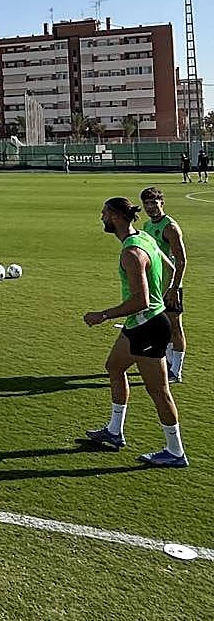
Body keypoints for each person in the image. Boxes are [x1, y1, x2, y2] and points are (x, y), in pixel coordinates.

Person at [83, 197, 187, 467]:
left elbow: (139, 301)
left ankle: (175, 451)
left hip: (148, 327)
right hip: (138, 324)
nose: (101, 217)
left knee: (159, 391)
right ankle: (114, 432)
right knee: (114, 367)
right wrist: (167, 290)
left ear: (116, 217)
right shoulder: (144, 238)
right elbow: (170, 266)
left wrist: (102, 315)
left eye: (104, 213)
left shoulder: (131, 253)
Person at [140, 187, 189, 383]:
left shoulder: (170, 227)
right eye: (147, 204)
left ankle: (176, 370)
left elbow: (181, 260)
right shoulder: (147, 225)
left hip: (170, 287)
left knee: (175, 328)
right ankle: (168, 362)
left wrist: (174, 288)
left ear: (162, 203)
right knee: (163, 327)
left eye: (154, 203)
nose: (150, 207)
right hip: (156, 286)